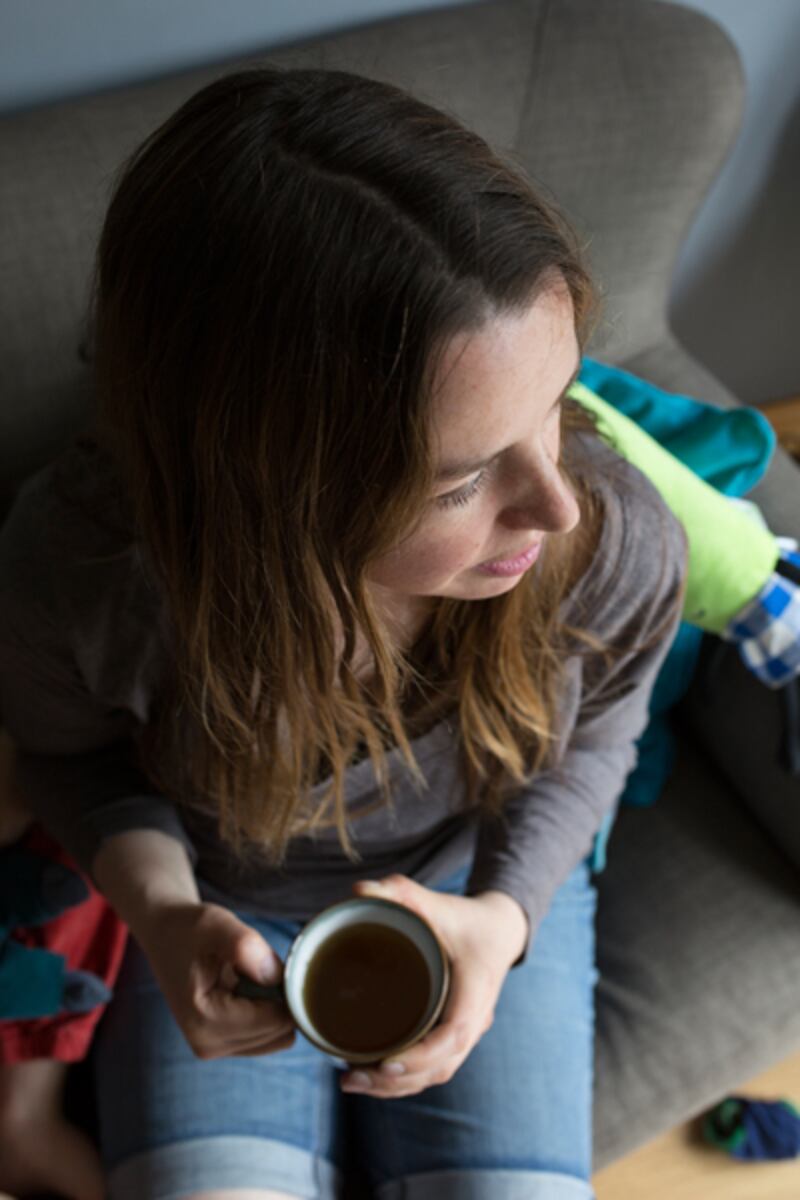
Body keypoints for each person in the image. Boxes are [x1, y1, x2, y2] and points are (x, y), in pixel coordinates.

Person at [0, 66, 687, 1200]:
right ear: (272, 486)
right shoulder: (80, 579)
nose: (555, 505)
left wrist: (503, 919)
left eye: (554, 410)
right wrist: (165, 912)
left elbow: (591, 742)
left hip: (470, 874)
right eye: (463, 478)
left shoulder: (608, 539)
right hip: (223, 895)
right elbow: (68, 757)